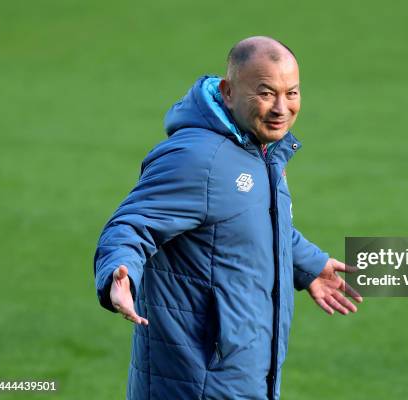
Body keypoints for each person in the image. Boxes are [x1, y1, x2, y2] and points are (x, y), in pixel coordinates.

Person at [94, 36, 362, 400]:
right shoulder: (197, 158)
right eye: (266, 93)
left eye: (292, 93)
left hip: (241, 378)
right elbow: (132, 224)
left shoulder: (260, 151)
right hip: (195, 383)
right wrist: (118, 273)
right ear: (229, 92)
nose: (281, 108)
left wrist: (309, 264)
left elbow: (249, 221)